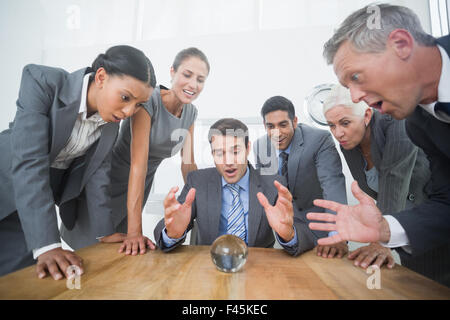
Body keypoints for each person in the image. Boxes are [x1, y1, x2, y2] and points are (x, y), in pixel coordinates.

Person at [307, 4, 450, 286]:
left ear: (400, 44)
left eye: (356, 78)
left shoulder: (400, 125)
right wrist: (386, 228)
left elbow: (396, 177)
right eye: (348, 86)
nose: (357, 96)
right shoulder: (418, 123)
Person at [0, 45, 156, 279]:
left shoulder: (110, 121)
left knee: (19, 277)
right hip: (8, 179)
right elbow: (30, 162)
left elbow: (98, 175)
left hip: (30, 209)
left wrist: (104, 232)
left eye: (138, 105)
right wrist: (48, 244)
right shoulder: (42, 81)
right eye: (125, 97)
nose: (128, 111)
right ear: (101, 77)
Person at [89, 48, 210, 255]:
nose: (193, 85)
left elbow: (188, 163)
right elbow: (139, 163)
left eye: (200, 79)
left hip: (141, 185)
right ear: (172, 72)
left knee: (122, 255)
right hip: (111, 181)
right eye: (187, 75)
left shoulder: (191, 112)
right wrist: (136, 231)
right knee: (95, 248)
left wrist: (204, 203)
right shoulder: (148, 100)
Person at [154, 118, 321, 255]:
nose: (228, 161)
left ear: (248, 148)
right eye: (220, 153)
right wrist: (172, 234)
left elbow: (305, 233)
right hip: (208, 266)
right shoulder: (198, 182)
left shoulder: (273, 184)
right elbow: (168, 225)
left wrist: (289, 233)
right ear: (212, 154)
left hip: (257, 269)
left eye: (235, 151)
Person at [322, 84, 431, 270]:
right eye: (332, 125)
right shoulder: (347, 143)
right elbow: (380, 194)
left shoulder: (397, 121)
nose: (338, 133)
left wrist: (379, 241)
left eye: (345, 123)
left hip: (433, 219)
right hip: (405, 229)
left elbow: (394, 179)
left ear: (366, 116)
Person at [253, 96, 348, 258]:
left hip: (323, 229)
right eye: (270, 126)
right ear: (264, 126)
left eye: (283, 125)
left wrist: (337, 234)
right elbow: (268, 191)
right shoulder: (260, 146)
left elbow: (332, 184)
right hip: (289, 233)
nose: (277, 133)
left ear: (294, 121)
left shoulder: (319, 140)